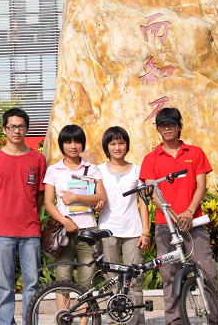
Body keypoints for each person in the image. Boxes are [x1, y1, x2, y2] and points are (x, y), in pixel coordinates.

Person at [140, 107, 218, 325]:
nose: (167, 128)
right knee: (169, 274)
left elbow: (201, 186)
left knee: (207, 270)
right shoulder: (151, 158)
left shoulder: (195, 153)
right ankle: (174, 321)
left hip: (194, 222)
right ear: (158, 129)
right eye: (163, 125)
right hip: (165, 224)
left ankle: (216, 318)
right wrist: (173, 215)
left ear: (179, 126)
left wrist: (189, 211)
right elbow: (151, 192)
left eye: (171, 124)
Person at [0, 107, 47, 325]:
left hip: (30, 231)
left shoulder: (38, 159)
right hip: (3, 233)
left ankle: (30, 322)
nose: (16, 131)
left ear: (27, 129)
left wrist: (31, 214)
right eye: (12, 127)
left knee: (32, 284)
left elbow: (40, 195)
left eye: (21, 126)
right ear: (4, 129)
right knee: (5, 285)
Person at [43, 124, 106, 323]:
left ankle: (84, 322)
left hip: (88, 230)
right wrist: (65, 221)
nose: (73, 146)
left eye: (77, 141)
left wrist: (76, 197)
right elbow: (48, 203)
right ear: (62, 144)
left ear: (82, 144)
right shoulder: (54, 170)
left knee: (86, 281)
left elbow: (101, 197)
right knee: (62, 279)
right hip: (63, 231)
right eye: (68, 141)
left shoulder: (92, 169)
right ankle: (64, 320)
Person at [96, 126, 150, 325]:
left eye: (121, 143)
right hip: (107, 230)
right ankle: (114, 321)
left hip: (133, 230)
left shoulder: (137, 170)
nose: (117, 147)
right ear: (106, 146)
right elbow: (94, 198)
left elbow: (143, 202)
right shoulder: (99, 170)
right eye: (112, 143)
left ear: (127, 145)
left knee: (135, 279)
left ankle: (137, 321)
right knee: (112, 280)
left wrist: (145, 231)